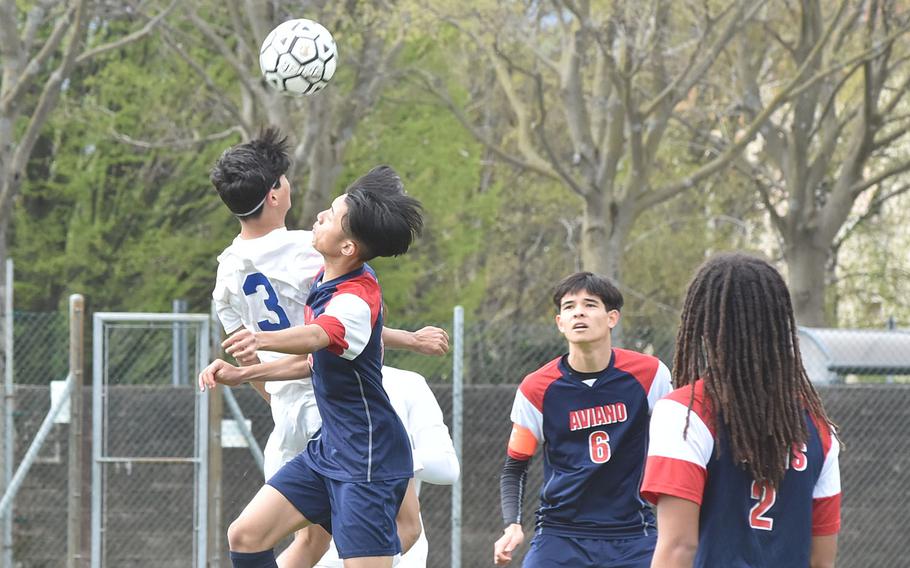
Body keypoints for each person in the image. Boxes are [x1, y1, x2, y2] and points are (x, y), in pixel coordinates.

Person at [208, 129, 447, 565]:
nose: (319, 215)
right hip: (330, 438)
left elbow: (327, 335)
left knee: (333, 542)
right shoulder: (314, 262)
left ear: (347, 245)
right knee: (248, 534)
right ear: (276, 193)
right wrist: (244, 371)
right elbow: (324, 349)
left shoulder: (232, 277)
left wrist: (256, 355)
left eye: (332, 215)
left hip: (359, 446)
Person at [641, 253, 841, 567]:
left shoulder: (684, 413)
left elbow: (679, 547)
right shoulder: (818, 428)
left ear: (704, 325)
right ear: (780, 325)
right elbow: (821, 562)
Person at [493, 272, 672, 567]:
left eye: (590, 304)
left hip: (632, 534)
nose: (578, 311)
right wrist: (512, 524)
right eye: (569, 306)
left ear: (612, 318)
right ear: (560, 323)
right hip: (559, 534)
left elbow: (674, 449)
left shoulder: (650, 375)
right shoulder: (537, 388)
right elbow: (515, 468)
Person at [315, 364, 461, 567]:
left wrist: (383, 461)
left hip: (400, 547)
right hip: (326, 550)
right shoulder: (310, 383)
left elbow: (447, 467)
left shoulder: (407, 383)